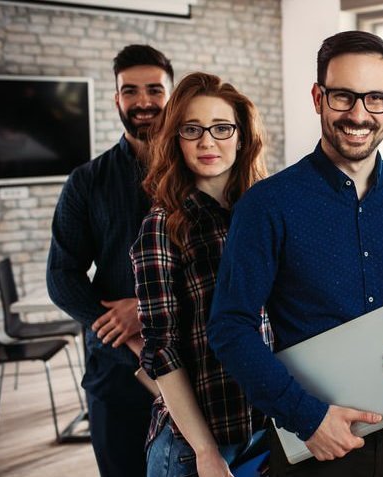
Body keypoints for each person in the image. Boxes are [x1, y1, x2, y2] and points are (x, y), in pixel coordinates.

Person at [206, 31, 383, 476]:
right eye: (343, 96)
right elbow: (230, 326)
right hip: (311, 442)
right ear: (319, 97)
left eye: (375, 98)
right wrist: (308, 417)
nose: (359, 114)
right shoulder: (267, 205)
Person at [130, 72, 272, 477]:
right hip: (195, 447)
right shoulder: (162, 225)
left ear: (242, 137)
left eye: (221, 128)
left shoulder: (264, 213)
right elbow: (162, 349)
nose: (207, 142)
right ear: (176, 138)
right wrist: (206, 452)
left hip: (268, 429)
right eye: (192, 129)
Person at [47, 44, 174, 477]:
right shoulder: (86, 182)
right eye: (130, 91)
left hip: (196, 361)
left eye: (155, 90)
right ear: (116, 99)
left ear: (171, 96)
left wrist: (146, 310)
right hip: (116, 371)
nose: (143, 101)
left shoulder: (200, 172)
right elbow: (62, 275)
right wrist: (117, 328)